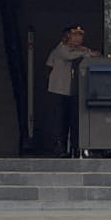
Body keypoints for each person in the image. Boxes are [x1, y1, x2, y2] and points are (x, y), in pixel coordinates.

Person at [45, 24, 100, 157]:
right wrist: (87, 52)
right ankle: (59, 148)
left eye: (80, 36)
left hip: (73, 91)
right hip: (58, 90)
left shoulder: (80, 50)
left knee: (72, 121)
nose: (77, 39)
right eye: (75, 35)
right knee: (59, 121)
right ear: (68, 36)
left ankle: (74, 148)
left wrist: (87, 52)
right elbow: (67, 56)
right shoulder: (61, 48)